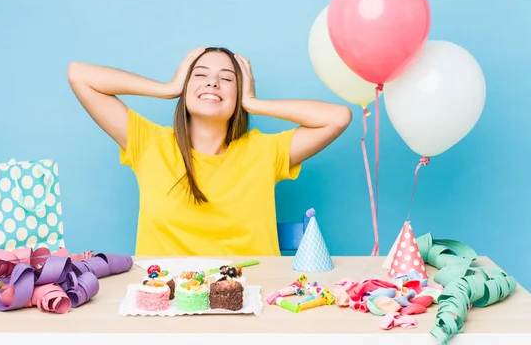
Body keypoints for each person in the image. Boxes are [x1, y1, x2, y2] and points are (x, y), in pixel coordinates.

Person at [67, 46, 352, 257]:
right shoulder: (148, 143)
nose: (213, 82)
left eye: (227, 79)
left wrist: (253, 102)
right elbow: (79, 74)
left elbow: (337, 117)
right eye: (200, 75)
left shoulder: (265, 151)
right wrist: (167, 88)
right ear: (185, 87)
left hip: (252, 303)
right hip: (168, 306)